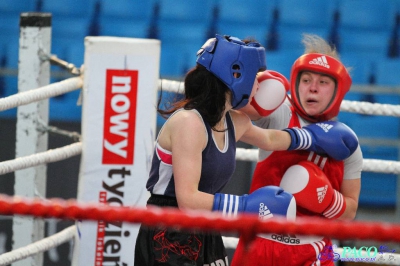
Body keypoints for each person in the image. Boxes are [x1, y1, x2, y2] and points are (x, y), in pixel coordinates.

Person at [134, 34, 359, 266]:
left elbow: (271, 139)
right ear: (236, 76)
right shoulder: (189, 123)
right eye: (255, 77)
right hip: (168, 227)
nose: (260, 85)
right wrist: (246, 206)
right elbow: (188, 200)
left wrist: (312, 137)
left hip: (206, 226)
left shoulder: (235, 121)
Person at [231, 34, 363, 266]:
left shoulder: (347, 145)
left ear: (337, 91)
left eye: (323, 82)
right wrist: (254, 82)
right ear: (296, 83)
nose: (312, 88)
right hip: (261, 242)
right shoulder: (281, 112)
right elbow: (237, 109)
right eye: (306, 80)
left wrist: (329, 200)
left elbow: (350, 211)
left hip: (315, 250)